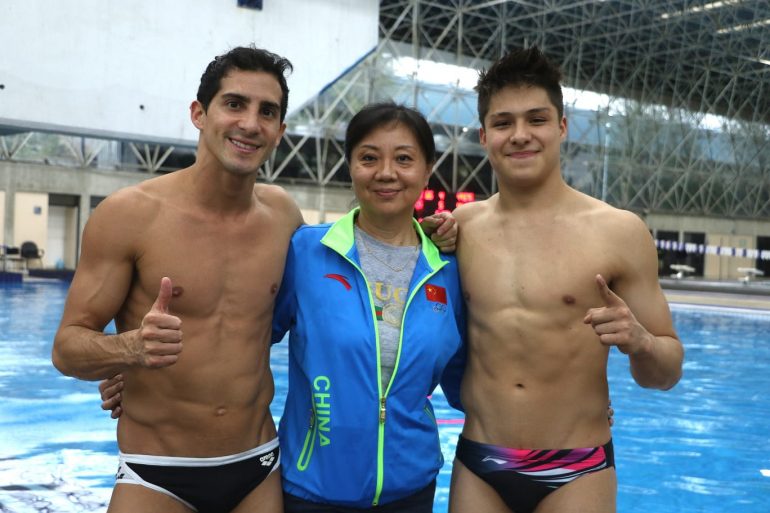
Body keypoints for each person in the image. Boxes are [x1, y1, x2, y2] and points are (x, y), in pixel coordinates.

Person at [52, 46, 303, 513]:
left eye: (267, 112)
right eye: (234, 104)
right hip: (156, 472)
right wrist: (129, 350)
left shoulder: (284, 217)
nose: (251, 123)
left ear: (280, 131)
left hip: (258, 465)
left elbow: (328, 298)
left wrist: (436, 235)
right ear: (199, 114)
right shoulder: (129, 215)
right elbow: (66, 347)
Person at [448, 46, 684, 513]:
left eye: (536, 119)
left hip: (577, 467)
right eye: (503, 123)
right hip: (480, 462)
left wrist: (640, 342)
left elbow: (668, 371)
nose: (520, 136)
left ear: (561, 126)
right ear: (483, 135)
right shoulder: (458, 229)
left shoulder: (618, 231)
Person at [272, 102, 465, 512]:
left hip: (410, 487)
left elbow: (471, 376)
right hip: (312, 485)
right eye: (369, 158)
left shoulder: (449, 269)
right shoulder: (306, 252)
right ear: (350, 166)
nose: (386, 173)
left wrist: (555, 406)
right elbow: (244, 340)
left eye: (404, 159)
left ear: (428, 169)